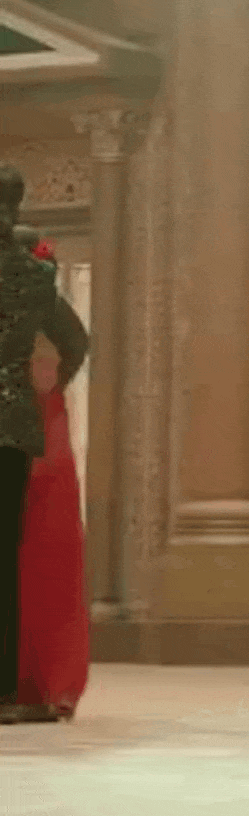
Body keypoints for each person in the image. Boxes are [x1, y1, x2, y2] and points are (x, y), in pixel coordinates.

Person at [0, 168, 89, 724]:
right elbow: (76, 340)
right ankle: (7, 691)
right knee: (9, 555)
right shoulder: (33, 275)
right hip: (15, 421)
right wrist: (48, 391)